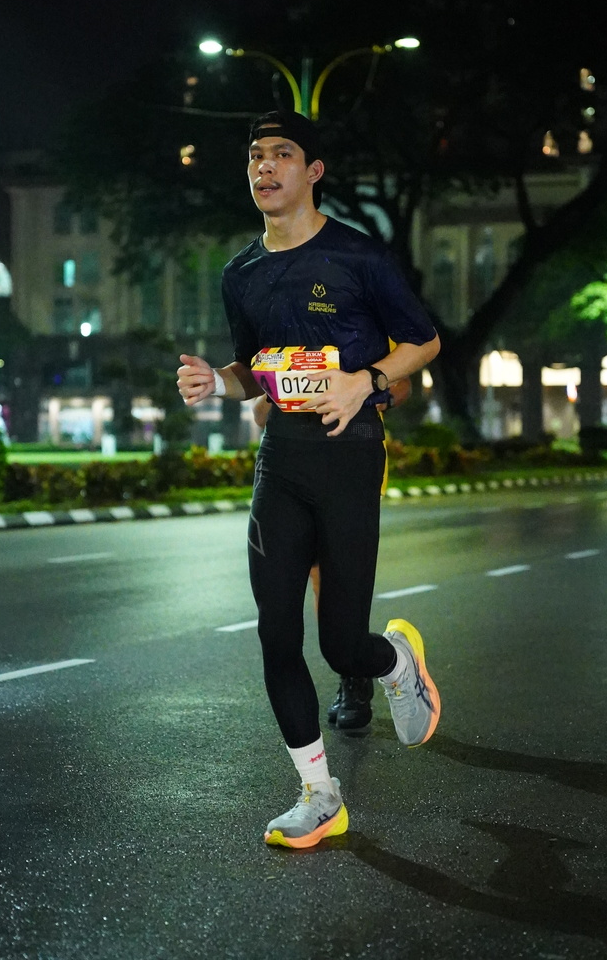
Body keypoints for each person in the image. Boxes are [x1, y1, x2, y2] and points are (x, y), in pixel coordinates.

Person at [177, 109, 441, 850]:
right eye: (255, 156)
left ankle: (393, 661)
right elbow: (251, 370)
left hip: (350, 453)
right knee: (275, 631)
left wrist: (368, 380)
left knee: (342, 646)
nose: (264, 167)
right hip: (282, 459)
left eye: (282, 154)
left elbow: (424, 340)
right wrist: (214, 381)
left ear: (314, 170)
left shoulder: (358, 256)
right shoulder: (241, 273)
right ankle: (319, 794)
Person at [252, 374, 412, 733]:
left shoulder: (356, 340)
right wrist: (274, 396)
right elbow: (259, 414)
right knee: (307, 576)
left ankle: (355, 672)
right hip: (291, 464)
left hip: (351, 459)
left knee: (334, 573)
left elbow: (402, 381)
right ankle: (347, 672)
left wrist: (376, 394)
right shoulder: (281, 346)